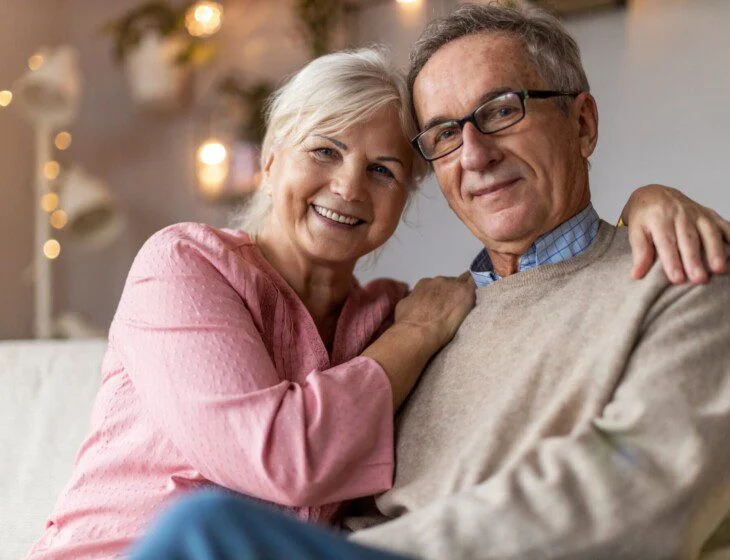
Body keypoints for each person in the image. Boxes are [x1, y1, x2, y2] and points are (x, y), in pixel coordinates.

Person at [126, 3, 730, 560]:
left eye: (501, 111)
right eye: (444, 133)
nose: (473, 153)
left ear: (583, 123)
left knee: (198, 532)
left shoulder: (681, 272)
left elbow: (644, 483)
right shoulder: (419, 318)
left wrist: (651, 201)